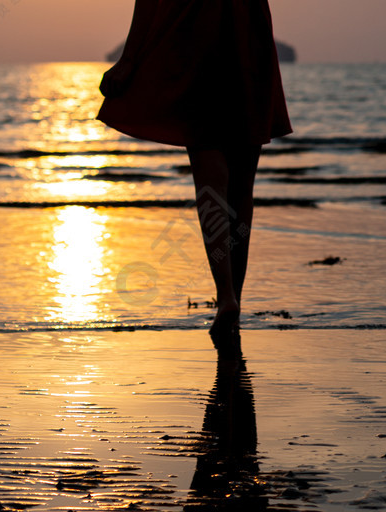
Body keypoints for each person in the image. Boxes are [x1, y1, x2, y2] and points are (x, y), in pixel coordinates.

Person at [98, 1, 292, 354]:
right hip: (248, 28)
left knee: (210, 181)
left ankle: (226, 297)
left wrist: (130, 58)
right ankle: (235, 298)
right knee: (241, 188)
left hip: (197, 27)